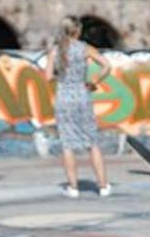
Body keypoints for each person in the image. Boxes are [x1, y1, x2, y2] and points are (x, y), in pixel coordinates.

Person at [45, 17, 111, 198]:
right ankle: (103, 186)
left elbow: (48, 76)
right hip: (82, 96)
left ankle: (73, 188)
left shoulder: (56, 50)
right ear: (78, 31)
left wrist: (61, 74)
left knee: (67, 144)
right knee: (92, 142)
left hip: (64, 98)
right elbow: (106, 65)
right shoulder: (85, 48)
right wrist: (95, 81)